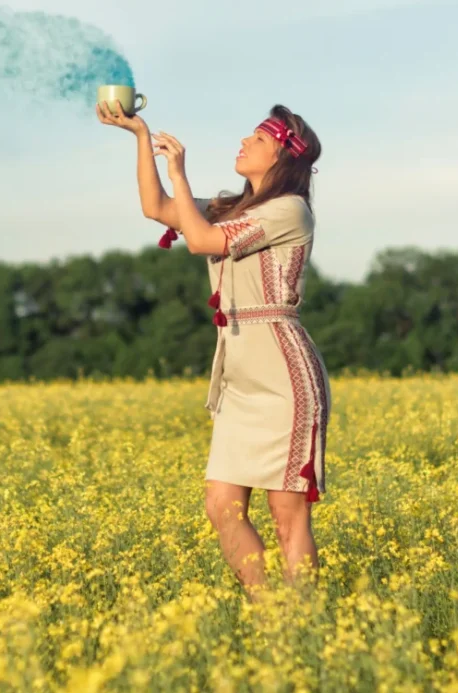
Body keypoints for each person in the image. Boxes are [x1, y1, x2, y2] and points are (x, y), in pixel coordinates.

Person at [97, 99, 331, 598]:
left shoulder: (290, 210)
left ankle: (305, 623)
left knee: (287, 514)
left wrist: (179, 172)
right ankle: (268, 614)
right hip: (238, 379)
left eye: (259, 139)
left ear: (283, 157)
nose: (244, 142)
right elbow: (157, 208)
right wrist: (141, 137)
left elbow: (203, 241)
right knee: (221, 506)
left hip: (284, 378)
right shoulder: (234, 210)